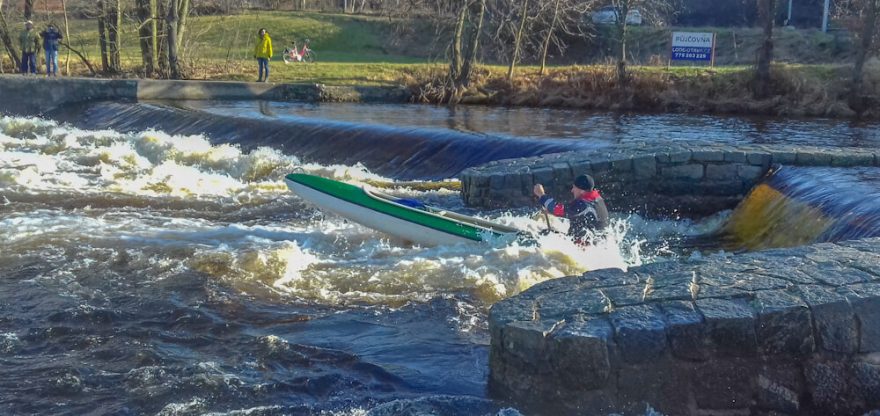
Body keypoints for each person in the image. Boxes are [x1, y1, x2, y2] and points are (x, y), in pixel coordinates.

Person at [533, 174, 609, 243]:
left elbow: (557, 209)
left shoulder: (584, 205)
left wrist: (541, 195)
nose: (572, 190)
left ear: (582, 191)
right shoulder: (598, 199)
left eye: (574, 188)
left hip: (585, 247)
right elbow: (574, 213)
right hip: (598, 242)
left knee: (543, 235)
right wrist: (551, 212)